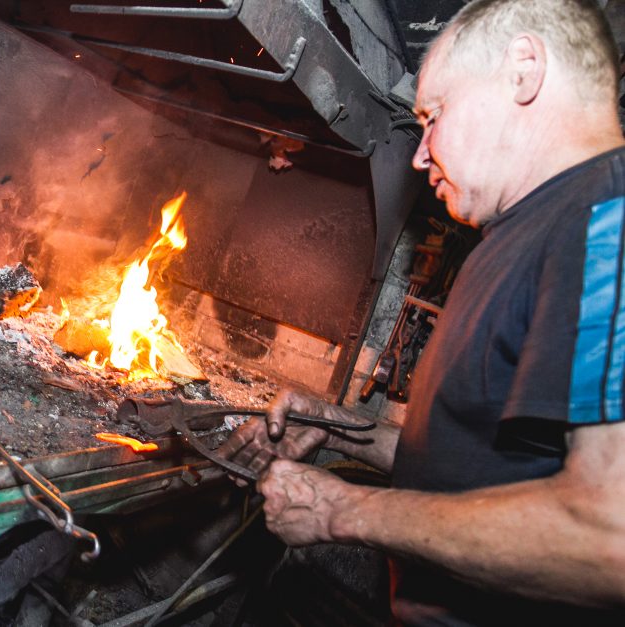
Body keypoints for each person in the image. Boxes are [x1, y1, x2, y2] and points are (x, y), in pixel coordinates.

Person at [219, 0, 625, 624]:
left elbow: (610, 540)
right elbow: (486, 461)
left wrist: (340, 510)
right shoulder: (527, 231)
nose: (419, 153)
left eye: (434, 116)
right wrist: (344, 428)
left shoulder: (609, 222)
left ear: (524, 71)